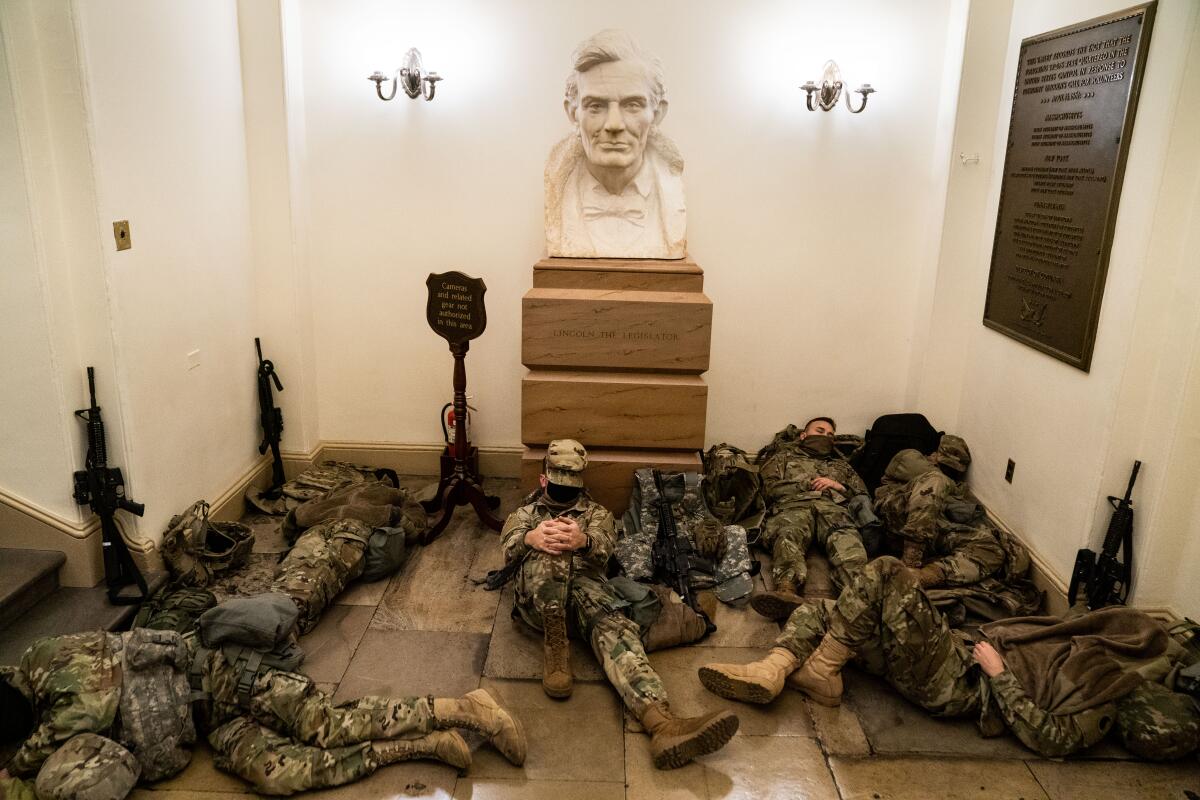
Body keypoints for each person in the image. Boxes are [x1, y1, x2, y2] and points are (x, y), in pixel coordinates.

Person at [697, 557, 1199, 759]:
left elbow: (1052, 740)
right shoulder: (1091, 652)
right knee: (832, 610)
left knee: (887, 573)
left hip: (960, 683)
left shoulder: (1103, 693)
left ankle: (823, 667)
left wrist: (999, 675)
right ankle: (777, 669)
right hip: (957, 653)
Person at [0, 628, 526, 797]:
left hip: (225, 674)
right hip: (211, 724)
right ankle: (417, 745)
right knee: (279, 775)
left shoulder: (51, 667)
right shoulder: (32, 688)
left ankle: (462, 708)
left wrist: (17, 765)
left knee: (325, 724)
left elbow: (78, 715)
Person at [500, 439, 738, 770]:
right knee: (550, 552)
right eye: (557, 483)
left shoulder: (596, 514)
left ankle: (662, 724)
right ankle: (556, 647)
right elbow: (507, 547)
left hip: (586, 593)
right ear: (543, 480)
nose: (564, 491)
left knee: (617, 631)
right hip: (539, 603)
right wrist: (532, 538)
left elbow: (606, 548)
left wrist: (583, 541)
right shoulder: (525, 514)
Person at [545, 29, 686, 259]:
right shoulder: (559, 191)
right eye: (595, 106)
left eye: (632, 105)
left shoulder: (669, 194)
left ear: (657, 113)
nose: (614, 125)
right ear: (573, 113)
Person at [752, 416, 870, 616]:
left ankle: (859, 601)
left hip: (833, 508)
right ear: (803, 435)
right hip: (793, 506)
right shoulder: (783, 458)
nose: (826, 436)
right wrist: (804, 485)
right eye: (820, 431)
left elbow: (863, 497)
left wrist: (838, 486)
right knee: (788, 535)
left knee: (849, 545)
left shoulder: (841, 466)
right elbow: (767, 490)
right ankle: (786, 591)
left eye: (831, 434)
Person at [872, 434, 1006, 589]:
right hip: (894, 517)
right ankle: (910, 561)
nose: (950, 472)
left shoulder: (951, 483)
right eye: (948, 466)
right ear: (937, 455)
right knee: (936, 480)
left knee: (993, 549)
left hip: (931, 527)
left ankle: (925, 576)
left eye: (955, 470)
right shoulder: (910, 457)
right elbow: (937, 481)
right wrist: (953, 488)